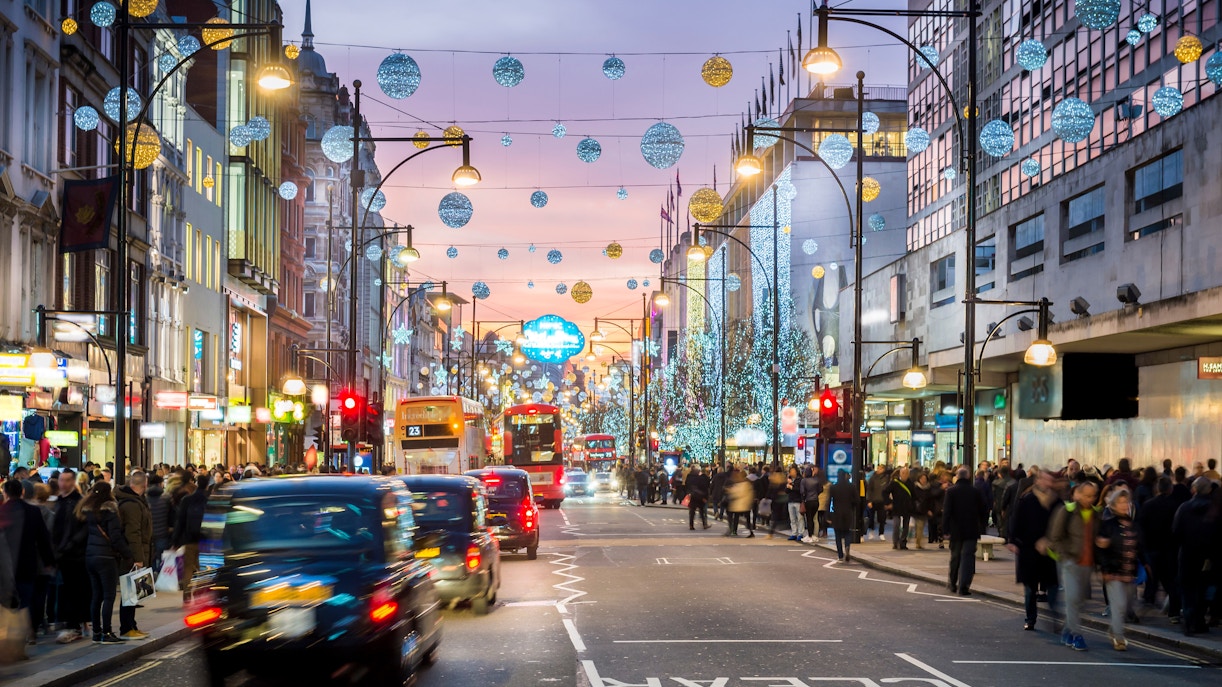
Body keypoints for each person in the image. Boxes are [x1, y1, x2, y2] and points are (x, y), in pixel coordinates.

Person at [0, 479, 55, 645]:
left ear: (6, 493)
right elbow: (43, 538)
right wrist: (48, 561)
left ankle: (9, 634)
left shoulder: (2, 511)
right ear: (22, 492)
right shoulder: (33, 512)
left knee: (8, 601)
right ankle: (29, 631)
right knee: (27, 599)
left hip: (5, 565)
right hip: (27, 563)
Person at [1046, 480, 1099, 651]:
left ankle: (1067, 631)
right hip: (1070, 562)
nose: (1090, 499)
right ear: (1079, 494)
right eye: (1087, 495)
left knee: (1080, 601)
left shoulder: (1097, 514)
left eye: (1093, 496)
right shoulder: (1067, 511)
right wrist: (1064, 556)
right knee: (1072, 599)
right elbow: (1055, 537)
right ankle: (1077, 635)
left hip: (1087, 564)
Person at [76, 482, 130, 644]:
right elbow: (115, 536)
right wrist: (128, 554)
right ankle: (107, 632)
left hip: (90, 557)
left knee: (96, 596)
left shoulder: (88, 511)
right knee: (108, 596)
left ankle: (96, 632)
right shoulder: (110, 511)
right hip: (106, 558)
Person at [1008, 469, 1060, 632]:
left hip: (1049, 551)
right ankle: (1030, 619)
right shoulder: (1027, 499)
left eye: (1050, 480)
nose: (1047, 483)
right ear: (1037, 481)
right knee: (1030, 588)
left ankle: (1055, 618)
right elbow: (1016, 521)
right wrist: (1013, 541)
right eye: (1045, 480)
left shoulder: (1057, 502)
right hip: (1029, 550)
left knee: (1052, 586)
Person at [1096, 487, 1139, 650]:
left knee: (1125, 606)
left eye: (1126, 502)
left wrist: (1147, 565)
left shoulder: (1133, 525)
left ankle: (1114, 630)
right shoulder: (1107, 525)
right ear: (1113, 505)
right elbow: (1100, 549)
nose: (1123, 505)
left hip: (1129, 572)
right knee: (1118, 605)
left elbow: (1140, 547)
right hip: (1113, 572)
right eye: (1120, 502)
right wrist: (1105, 569)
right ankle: (1119, 639)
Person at [1172, 477, 1216, 636]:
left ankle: (1189, 622)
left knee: (1187, 590)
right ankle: (1200, 621)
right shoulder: (1215, 509)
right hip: (1209, 557)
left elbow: (1176, 532)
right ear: (1210, 490)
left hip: (1187, 555)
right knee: (1204, 589)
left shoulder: (1184, 508)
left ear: (1194, 489)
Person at [51, 469, 88, 643]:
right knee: (64, 590)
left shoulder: (78, 502)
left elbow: (82, 530)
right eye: (61, 480)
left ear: (73, 482)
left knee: (74, 590)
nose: (62, 483)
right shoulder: (58, 501)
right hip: (61, 554)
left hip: (75, 554)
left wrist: (70, 545)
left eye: (66, 480)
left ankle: (74, 626)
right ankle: (71, 623)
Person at [1137, 477, 1181, 622]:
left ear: (1157, 488)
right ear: (1170, 489)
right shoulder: (1176, 505)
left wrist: (1143, 546)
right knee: (1170, 580)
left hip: (1151, 547)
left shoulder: (1148, 505)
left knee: (1152, 578)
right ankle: (1174, 613)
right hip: (1169, 549)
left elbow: (1141, 527)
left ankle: (1147, 604)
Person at [115, 471, 153, 639]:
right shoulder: (132, 504)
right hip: (132, 555)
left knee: (134, 593)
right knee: (129, 593)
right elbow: (133, 533)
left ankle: (132, 625)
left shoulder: (136, 501)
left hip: (138, 552)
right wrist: (138, 559)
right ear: (144, 485)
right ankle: (126, 628)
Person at [943, 468, 987, 596]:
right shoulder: (975, 491)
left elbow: (946, 512)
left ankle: (952, 583)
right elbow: (983, 509)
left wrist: (945, 529)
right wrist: (981, 525)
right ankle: (964, 586)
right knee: (967, 558)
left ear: (957, 477)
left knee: (955, 557)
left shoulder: (951, 492)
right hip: (971, 529)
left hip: (956, 530)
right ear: (968, 477)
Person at [174, 475, 209, 590]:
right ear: (207, 485)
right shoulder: (210, 499)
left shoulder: (187, 500)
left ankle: (187, 595)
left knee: (188, 568)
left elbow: (180, 522)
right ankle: (203, 594)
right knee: (204, 569)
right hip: (205, 541)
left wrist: (175, 540)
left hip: (189, 539)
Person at [829, 470, 858, 562]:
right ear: (845, 476)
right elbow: (857, 500)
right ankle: (847, 547)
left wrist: (828, 515)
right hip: (848, 512)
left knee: (837, 535)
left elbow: (829, 501)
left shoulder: (833, 487)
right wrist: (852, 507)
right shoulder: (852, 487)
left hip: (837, 513)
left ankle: (840, 556)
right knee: (847, 533)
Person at [147, 473, 173, 570]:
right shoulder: (166, 498)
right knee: (163, 558)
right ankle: (161, 578)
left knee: (151, 558)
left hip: (149, 533)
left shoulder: (145, 498)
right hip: (163, 533)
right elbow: (171, 516)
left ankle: (152, 577)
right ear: (160, 484)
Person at [884, 466, 914, 550]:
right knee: (896, 525)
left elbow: (914, 496)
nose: (905, 475)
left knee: (906, 526)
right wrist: (888, 503)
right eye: (903, 473)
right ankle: (895, 542)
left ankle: (903, 542)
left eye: (907, 473)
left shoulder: (910, 483)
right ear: (900, 473)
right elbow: (885, 492)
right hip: (897, 507)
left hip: (907, 508)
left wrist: (912, 505)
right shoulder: (894, 483)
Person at [724, 470, 754, 538]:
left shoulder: (744, 484)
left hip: (741, 504)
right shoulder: (745, 483)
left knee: (732, 516)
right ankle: (734, 530)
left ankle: (732, 530)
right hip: (742, 504)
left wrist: (730, 491)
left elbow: (738, 493)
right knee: (743, 518)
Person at [865, 464, 890, 541]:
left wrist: (888, 501)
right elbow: (869, 489)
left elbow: (888, 490)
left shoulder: (886, 478)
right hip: (873, 500)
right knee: (871, 517)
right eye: (878, 468)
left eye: (880, 468)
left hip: (882, 500)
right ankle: (871, 531)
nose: (878, 470)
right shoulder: (873, 478)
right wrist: (869, 500)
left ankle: (881, 533)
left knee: (882, 518)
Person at [686, 465, 711, 530]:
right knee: (702, 511)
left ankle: (691, 525)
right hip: (700, 497)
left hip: (693, 496)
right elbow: (704, 487)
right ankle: (704, 524)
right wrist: (705, 497)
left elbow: (687, 485)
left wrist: (688, 493)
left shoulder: (689, 477)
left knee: (692, 512)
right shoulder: (700, 478)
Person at [912, 472, 932, 549]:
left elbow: (930, 500)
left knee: (921, 526)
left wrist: (929, 509)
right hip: (917, 509)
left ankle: (918, 541)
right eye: (922, 479)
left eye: (925, 479)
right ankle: (918, 543)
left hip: (925, 509)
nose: (923, 480)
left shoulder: (928, 488)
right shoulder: (915, 487)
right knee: (919, 526)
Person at [785, 466, 805, 541]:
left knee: (800, 518)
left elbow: (800, 490)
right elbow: (786, 491)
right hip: (790, 500)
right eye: (790, 471)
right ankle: (794, 533)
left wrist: (792, 487)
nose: (792, 472)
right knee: (792, 519)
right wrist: (788, 486)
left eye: (793, 471)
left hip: (798, 500)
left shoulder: (800, 480)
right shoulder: (789, 480)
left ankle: (800, 533)